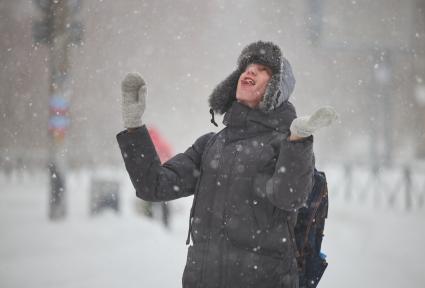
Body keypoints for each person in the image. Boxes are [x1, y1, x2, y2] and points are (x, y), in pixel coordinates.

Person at [116, 41, 337, 288]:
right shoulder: (211, 145)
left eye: (262, 69)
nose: (249, 71)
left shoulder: (286, 144)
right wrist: (134, 128)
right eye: (246, 67)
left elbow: (290, 198)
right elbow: (153, 186)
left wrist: (298, 141)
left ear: (277, 89)